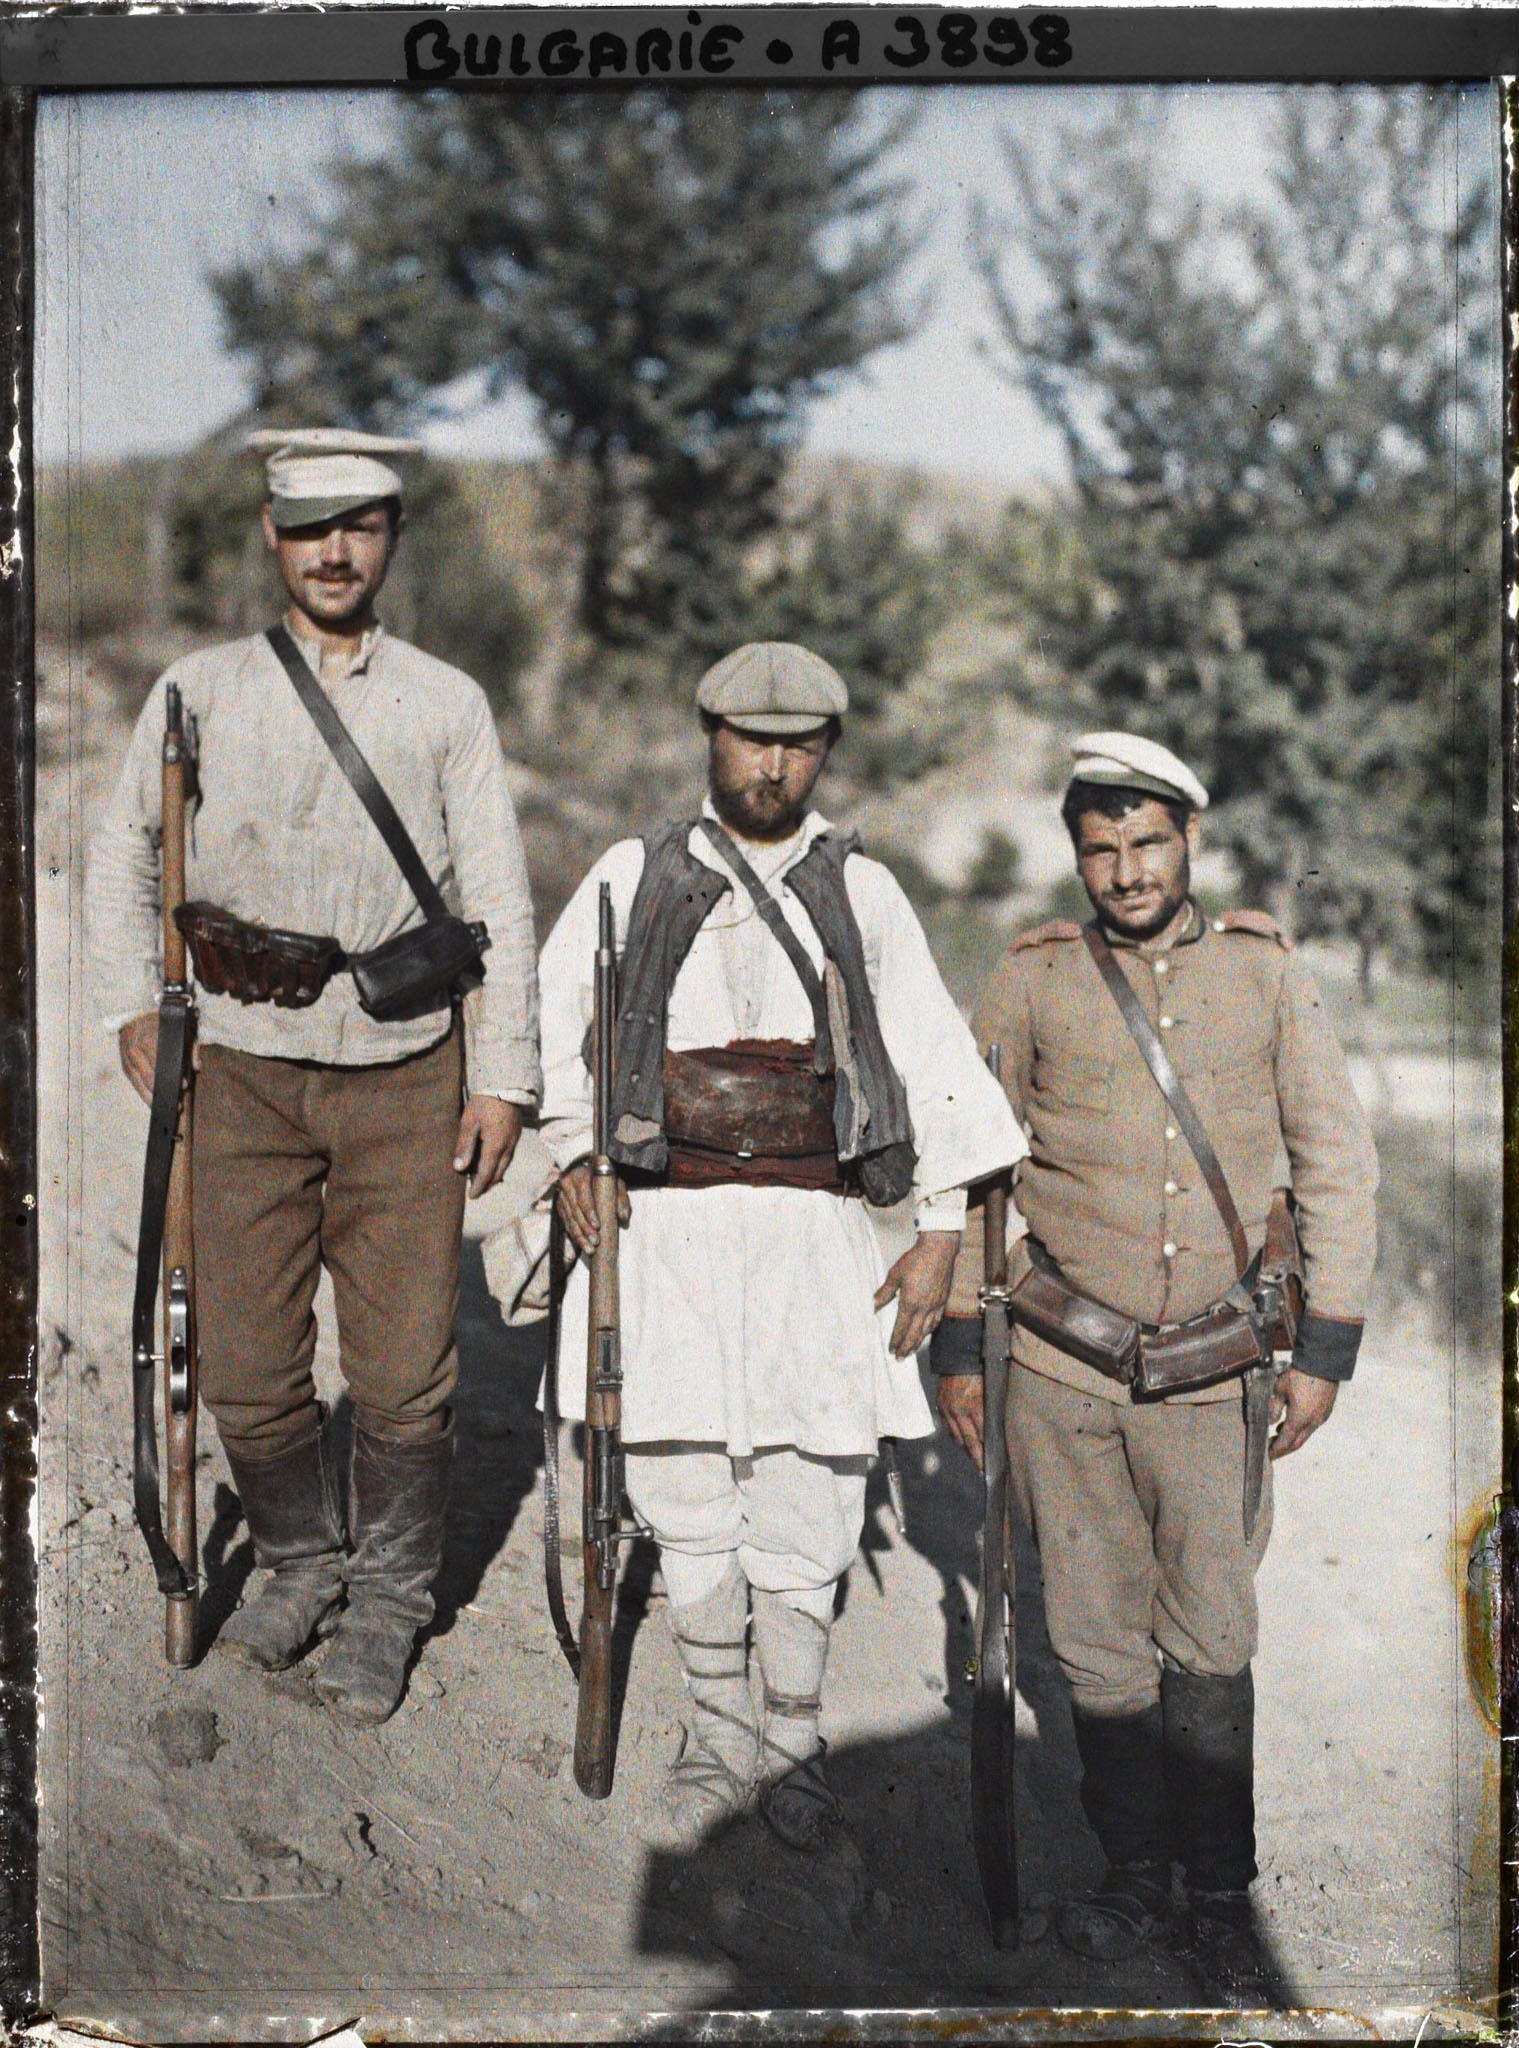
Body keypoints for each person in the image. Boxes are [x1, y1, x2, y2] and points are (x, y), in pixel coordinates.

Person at [86, 428, 541, 1723]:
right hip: (236, 1069)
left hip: (403, 1073)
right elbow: (128, 854)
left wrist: (499, 1076)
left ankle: (390, 1602)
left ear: (391, 536)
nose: (333, 551)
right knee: (241, 1364)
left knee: (402, 1376)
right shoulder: (199, 688)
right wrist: (134, 1000)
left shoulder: (445, 701)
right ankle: (296, 1560)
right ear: (271, 540)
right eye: (307, 528)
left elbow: (496, 894)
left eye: (359, 526)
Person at [539, 641, 1025, 1852]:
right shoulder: (630, 874)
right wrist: (564, 1149)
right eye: (752, 737)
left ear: (825, 750)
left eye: (798, 741)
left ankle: (794, 1746)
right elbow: (552, 1025)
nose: (772, 761)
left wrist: (940, 1231)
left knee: (811, 1485)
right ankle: (714, 1737)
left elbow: (933, 1061)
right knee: (685, 1475)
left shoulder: (864, 894)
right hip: (668, 1228)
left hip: (818, 1234)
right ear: (708, 733)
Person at [931, 731, 1378, 1996]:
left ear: (1190, 839)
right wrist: (967, 1344)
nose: (1125, 871)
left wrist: (1324, 1349)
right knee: (1094, 1643)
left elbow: (1334, 1159)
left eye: (1147, 842)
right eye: (1100, 848)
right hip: (1063, 1371)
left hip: (1212, 1369)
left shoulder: (1264, 978)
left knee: (1213, 1634)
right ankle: (1133, 1876)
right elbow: (974, 1177)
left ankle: (1220, 1897)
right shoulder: (1030, 981)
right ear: (1077, 856)